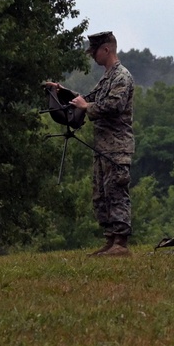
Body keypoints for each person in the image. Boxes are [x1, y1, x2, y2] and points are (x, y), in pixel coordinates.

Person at [44, 31, 135, 257]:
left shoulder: (121, 77)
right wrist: (61, 90)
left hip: (117, 147)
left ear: (106, 49)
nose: (93, 56)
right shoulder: (106, 78)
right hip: (102, 147)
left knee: (116, 191)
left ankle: (120, 243)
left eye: (94, 51)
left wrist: (87, 107)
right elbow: (88, 98)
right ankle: (110, 240)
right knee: (101, 194)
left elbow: (113, 105)